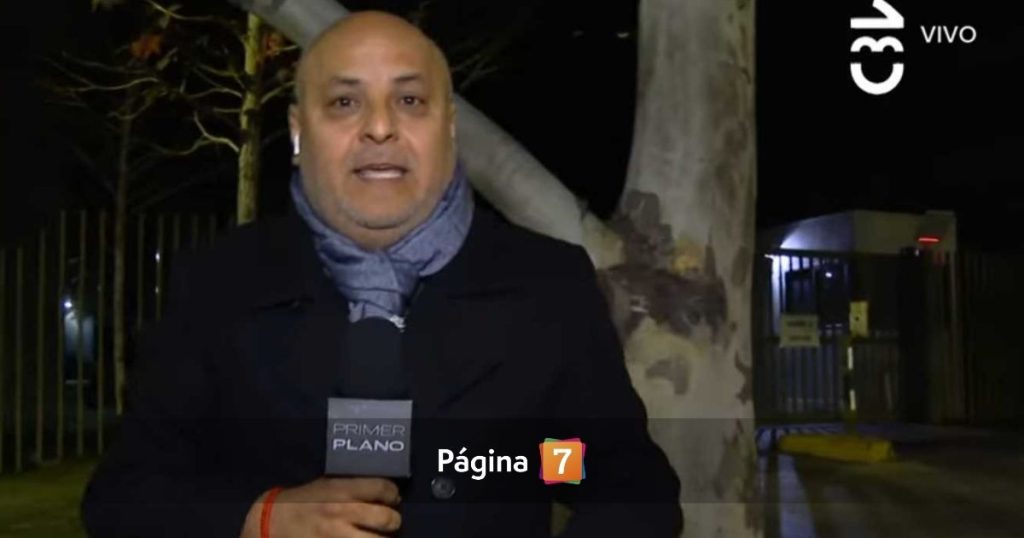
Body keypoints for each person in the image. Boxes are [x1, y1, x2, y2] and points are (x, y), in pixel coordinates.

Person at [81, 10, 682, 538]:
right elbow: (122, 496)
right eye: (345, 102)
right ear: (298, 131)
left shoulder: (547, 285)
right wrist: (261, 518)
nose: (379, 126)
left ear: (449, 128)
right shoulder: (219, 284)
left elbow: (632, 488)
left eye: (410, 100)